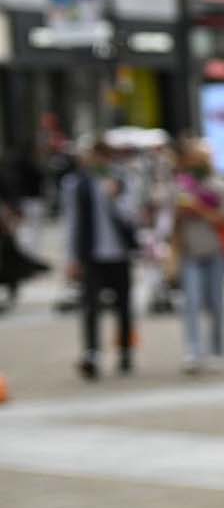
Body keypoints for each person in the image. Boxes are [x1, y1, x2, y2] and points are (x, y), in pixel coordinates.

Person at [62, 137, 144, 378]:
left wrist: (114, 197)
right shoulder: (76, 183)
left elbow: (132, 215)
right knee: (90, 306)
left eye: (103, 156)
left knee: (124, 306)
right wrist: (71, 258)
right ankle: (91, 353)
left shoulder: (123, 179)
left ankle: (126, 351)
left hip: (119, 253)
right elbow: (72, 222)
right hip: (91, 254)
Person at [166, 140, 224, 372]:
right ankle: (194, 351)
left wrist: (199, 209)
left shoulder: (220, 184)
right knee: (192, 303)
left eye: (201, 159)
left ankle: (217, 350)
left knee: (216, 304)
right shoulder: (180, 186)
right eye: (193, 159)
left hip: (216, 251)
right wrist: (179, 211)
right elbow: (170, 221)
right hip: (190, 252)